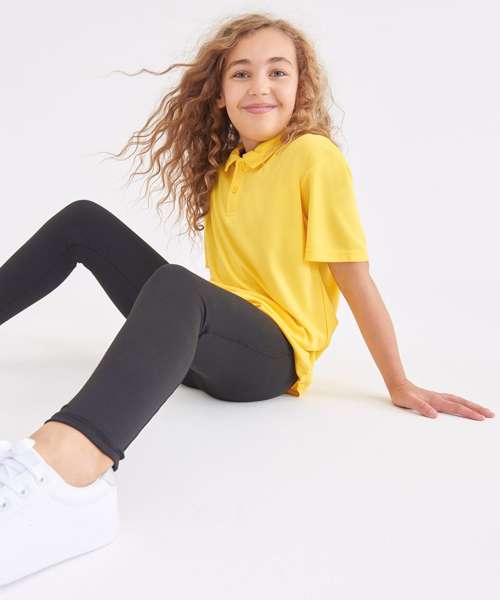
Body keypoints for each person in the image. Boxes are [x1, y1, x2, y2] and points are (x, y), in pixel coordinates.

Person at [0, 12, 494, 587]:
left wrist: (399, 382)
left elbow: (354, 278)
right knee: (85, 222)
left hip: (269, 358)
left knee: (177, 284)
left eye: (277, 72)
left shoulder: (313, 157)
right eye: (241, 74)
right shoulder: (228, 168)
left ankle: (68, 473)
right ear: (219, 94)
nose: (260, 86)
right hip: (206, 343)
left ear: (301, 88)